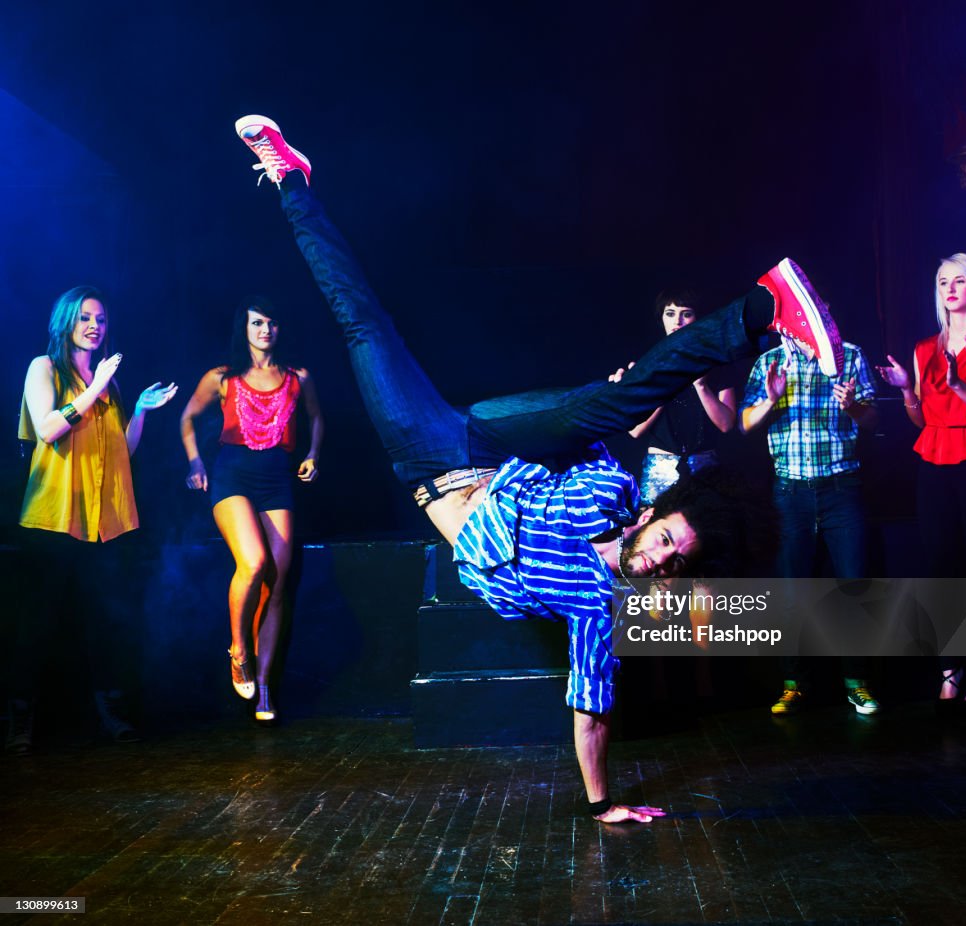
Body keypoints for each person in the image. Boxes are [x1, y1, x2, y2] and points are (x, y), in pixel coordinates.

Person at [233, 114, 842, 823]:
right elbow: (579, 431)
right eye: (670, 541)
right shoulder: (613, 488)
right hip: (488, 439)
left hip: (427, 458)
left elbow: (590, 714)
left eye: (675, 567)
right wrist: (604, 399)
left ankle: (292, 185)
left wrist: (603, 804)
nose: (659, 564)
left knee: (360, 323)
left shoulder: (596, 614)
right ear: (653, 514)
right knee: (611, 403)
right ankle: (766, 305)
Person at [8, 286, 177, 754]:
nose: (94, 326)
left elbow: (123, 452)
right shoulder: (44, 369)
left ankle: (111, 715)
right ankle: (20, 722)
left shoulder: (110, 383)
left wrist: (139, 409)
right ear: (66, 321)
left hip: (103, 522)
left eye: (101, 319)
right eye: (85, 317)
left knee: (106, 624)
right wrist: (96, 388)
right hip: (53, 519)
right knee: (37, 627)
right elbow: (46, 428)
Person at [179, 300, 324, 724]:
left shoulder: (298, 378)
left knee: (276, 586)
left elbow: (317, 417)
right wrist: (194, 462)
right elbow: (187, 416)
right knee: (254, 562)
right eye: (257, 322)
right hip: (232, 479)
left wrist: (314, 454)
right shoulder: (223, 378)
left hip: (277, 481)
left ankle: (264, 688)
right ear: (243, 328)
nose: (265, 329)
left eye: (271, 321)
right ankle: (238, 650)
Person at [878, 253, 966, 714]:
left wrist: (959, 388)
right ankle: (950, 671)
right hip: (933, 461)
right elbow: (920, 421)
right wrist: (906, 390)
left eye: (958, 281)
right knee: (941, 567)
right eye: (942, 282)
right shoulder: (922, 349)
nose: (949, 289)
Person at [741, 328, 881, 715]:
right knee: (791, 592)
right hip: (790, 491)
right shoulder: (770, 361)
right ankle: (793, 685)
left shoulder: (850, 353)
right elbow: (745, 424)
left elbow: (872, 419)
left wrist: (853, 407)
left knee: (854, 588)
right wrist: (770, 400)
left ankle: (858, 685)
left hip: (841, 486)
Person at [617, 290, 738, 504]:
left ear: (698, 318)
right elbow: (635, 431)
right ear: (661, 318)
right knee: (654, 530)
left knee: (705, 532)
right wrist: (663, 388)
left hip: (705, 466)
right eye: (670, 313)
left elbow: (727, 424)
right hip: (660, 469)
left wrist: (701, 386)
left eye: (686, 314)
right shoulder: (648, 365)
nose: (678, 321)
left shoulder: (718, 364)